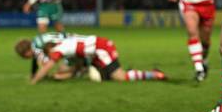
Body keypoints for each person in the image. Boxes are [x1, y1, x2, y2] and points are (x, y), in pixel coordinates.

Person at [16, 34, 167, 84]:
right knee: (104, 78)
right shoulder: (64, 46)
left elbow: (47, 66)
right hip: (95, 53)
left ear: (49, 49)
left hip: (102, 49)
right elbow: (72, 68)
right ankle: (113, 71)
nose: (50, 58)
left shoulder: (58, 49)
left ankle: (154, 74)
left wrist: (34, 80)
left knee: (121, 77)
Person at [164, 0, 220, 81]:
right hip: (188, 2)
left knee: (205, 40)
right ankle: (199, 68)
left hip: (206, 3)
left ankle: (203, 59)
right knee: (192, 31)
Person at [14, 32, 86, 80]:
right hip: (78, 41)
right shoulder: (35, 41)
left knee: (60, 72)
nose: (26, 58)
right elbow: (35, 60)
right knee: (60, 70)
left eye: (24, 55)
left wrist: (37, 78)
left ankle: (81, 70)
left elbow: (45, 66)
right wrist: (33, 74)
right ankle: (81, 67)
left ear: (26, 52)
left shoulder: (37, 48)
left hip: (78, 47)